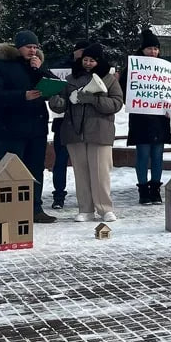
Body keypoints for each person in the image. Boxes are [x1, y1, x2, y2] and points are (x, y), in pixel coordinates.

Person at [0, 30, 57, 223]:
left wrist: (40, 69)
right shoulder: (0, 66)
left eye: (35, 47)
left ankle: (35, 209)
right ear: (18, 48)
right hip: (11, 129)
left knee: (36, 169)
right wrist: (21, 96)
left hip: (37, 129)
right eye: (28, 47)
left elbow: (54, 87)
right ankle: (10, 210)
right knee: (12, 171)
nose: (33, 50)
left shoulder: (37, 66)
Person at [49, 43, 124, 222]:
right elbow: (62, 105)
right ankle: (86, 209)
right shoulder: (70, 79)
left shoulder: (109, 79)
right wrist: (56, 101)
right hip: (75, 131)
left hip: (99, 131)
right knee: (81, 173)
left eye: (92, 60)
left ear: (99, 61)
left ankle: (105, 208)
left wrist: (92, 100)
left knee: (100, 172)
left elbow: (116, 103)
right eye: (85, 60)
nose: (88, 63)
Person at [120, 29, 171, 205]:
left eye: (156, 49)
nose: (153, 52)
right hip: (141, 117)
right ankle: (143, 189)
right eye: (150, 48)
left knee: (158, 155)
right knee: (142, 154)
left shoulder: (165, 68)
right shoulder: (132, 68)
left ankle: (156, 189)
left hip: (159, 118)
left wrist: (170, 107)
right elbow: (123, 89)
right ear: (142, 49)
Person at [50, 40, 88, 209]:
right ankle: (59, 195)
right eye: (80, 51)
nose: (83, 55)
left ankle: (87, 195)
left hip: (86, 120)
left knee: (86, 161)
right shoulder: (61, 67)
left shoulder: (93, 69)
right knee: (61, 160)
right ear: (74, 52)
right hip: (63, 120)